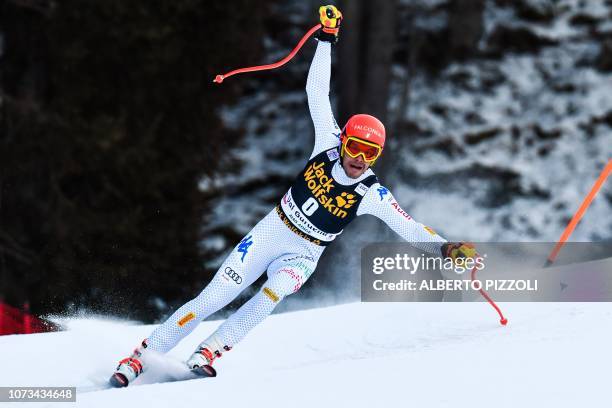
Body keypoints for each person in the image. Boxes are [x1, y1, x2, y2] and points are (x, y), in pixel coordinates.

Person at [110, 5, 475, 387]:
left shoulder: (372, 193)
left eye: (369, 154)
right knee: (212, 298)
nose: (358, 159)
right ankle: (140, 358)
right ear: (344, 141)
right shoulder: (327, 144)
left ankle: (210, 350)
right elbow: (316, 91)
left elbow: (410, 228)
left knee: (273, 292)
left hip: (305, 253)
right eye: (354, 147)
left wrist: (447, 249)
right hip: (273, 230)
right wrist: (327, 39)